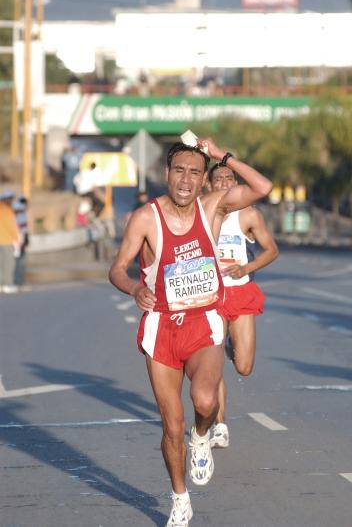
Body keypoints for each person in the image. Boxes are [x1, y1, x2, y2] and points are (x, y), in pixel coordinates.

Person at [109, 138, 272, 526]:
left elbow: (262, 188)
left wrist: (221, 156)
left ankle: (202, 437)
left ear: (204, 180)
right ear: (166, 174)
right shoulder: (145, 218)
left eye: (195, 172)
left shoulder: (212, 207)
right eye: (179, 171)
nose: (186, 179)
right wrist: (134, 288)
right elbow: (118, 267)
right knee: (171, 424)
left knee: (202, 400)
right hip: (162, 326)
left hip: (203, 320)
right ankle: (180, 498)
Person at [206, 163, 279, 448]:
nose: (224, 183)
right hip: (210, 297)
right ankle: (220, 425)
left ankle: (229, 346)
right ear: (209, 186)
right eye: (218, 179)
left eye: (229, 178)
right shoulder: (202, 214)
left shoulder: (248, 215)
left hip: (240, 293)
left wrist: (247, 267)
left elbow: (272, 250)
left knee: (244, 367)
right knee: (211, 368)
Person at [0, 189, 21, 294]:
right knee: (9, 264)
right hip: (6, 240)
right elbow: (12, 227)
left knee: (1, 264)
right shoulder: (8, 211)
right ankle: (8, 284)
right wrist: (16, 241)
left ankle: (1, 284)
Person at [12, 195, 29, 287]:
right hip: (18, 239)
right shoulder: (19, 213)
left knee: (20, 260)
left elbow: (25, 229)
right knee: (18, 260)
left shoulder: (22, 213)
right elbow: (20, 230)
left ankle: (19, 281)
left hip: (21, 238)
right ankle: (17, 282)